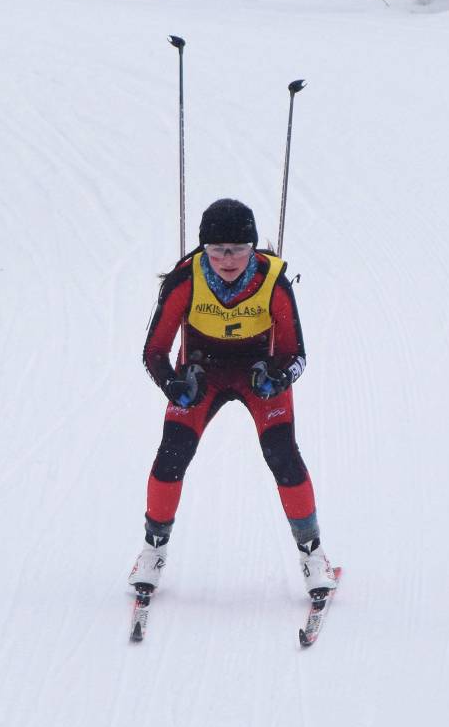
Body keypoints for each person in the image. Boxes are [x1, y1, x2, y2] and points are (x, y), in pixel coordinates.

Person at [128, 197, 337, 594]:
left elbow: (298, 355)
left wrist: (277, 379)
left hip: (258, 373)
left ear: (252, 248)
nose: (228, 259)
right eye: (218, 249)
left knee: (283, 455)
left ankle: (313, 555)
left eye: (239, 249)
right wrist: (173, 384)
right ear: (204, 249)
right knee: (172, 453)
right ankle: (152, 551)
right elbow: (153, 351)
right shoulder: (185, 281)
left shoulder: (272, 282)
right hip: (202, 372)